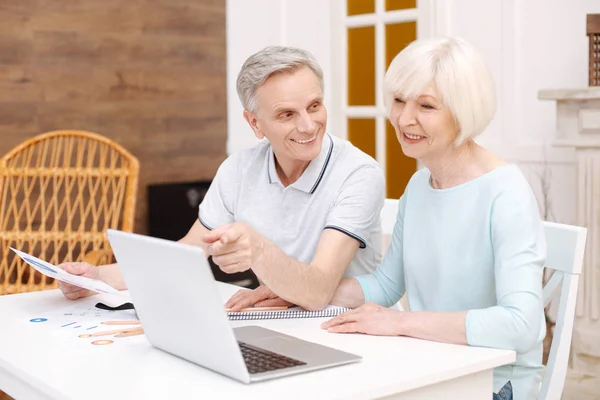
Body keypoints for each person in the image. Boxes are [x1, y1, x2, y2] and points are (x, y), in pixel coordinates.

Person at [58, 46, 385, 312]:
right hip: (276, 322)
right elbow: (187, 253)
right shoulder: (239, 169)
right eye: (287, 114)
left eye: (314, 106)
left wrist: (257, 250)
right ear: (255, 123)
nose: (308, 126)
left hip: (349, 329)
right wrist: (96, 277)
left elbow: (316, 291)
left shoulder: (357, 174)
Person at [321, 37, 545, 400]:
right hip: (428, 368)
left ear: (463, 111)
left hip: (492, 383)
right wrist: (304, 291)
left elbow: (520, 325)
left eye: (426, 105)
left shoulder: (506, 194)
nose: (404, 119)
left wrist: (399, 323)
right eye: (398, 100)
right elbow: (384, 286)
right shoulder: (420, 184)